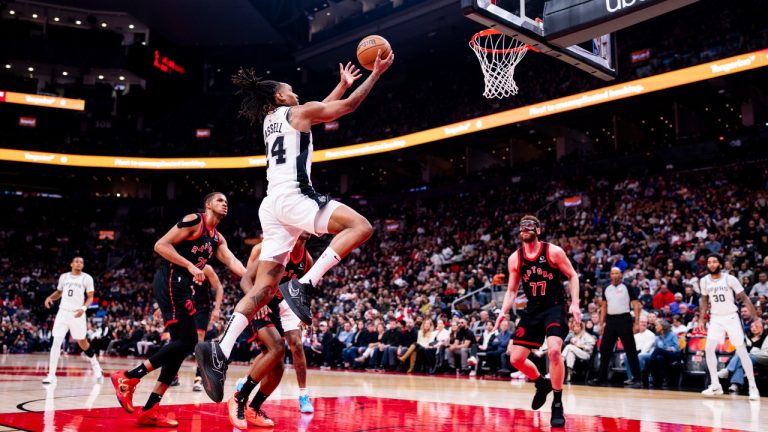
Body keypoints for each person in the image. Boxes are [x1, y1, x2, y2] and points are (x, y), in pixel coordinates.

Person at [197, 53, 395, 403]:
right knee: (360, 226)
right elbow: (346, 108)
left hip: (271, 206)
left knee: (264, 288)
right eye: (291, 90)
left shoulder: (271, 120)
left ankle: (220, 349)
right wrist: (375, 74)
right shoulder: (296, 112)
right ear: (279, 96)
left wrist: (341, 84)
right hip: (293, 198)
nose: (297, 94)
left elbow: (315, 111)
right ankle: (304, 284)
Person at [111, 193, 246, 427]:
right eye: (220, 200)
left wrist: (259, 282)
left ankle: (151, 407)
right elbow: (160, 245)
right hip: (172, 278)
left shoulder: (218, 239)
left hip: (183, 286)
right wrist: (190, 265)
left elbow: (234, 263)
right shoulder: (195, 220)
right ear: (207, 204)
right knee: (188, 342)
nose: (225, 203)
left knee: (180, 347)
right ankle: (129, 377)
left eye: (227, 201)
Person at [494, 215, 581, 428]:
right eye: (522, 227)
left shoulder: (553, 251)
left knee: (553, 351)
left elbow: (573, 276)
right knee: (515, 358)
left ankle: (558, 403)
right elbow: (512, 289)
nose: (525, 229)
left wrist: (575, 303)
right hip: (533, 309)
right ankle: (542, 383)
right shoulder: (515, 258)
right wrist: (503, 312)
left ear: (538, 230)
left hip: (554, 306)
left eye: (529, 226)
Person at [239, 232, 316, 415]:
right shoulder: (278, 250)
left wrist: (306, 313)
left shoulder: (308, 260)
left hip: (287, 304)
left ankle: (303, 394)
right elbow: (246, 279)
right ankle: (245, 389)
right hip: (265, 301)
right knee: (274, 351)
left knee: (296, 346)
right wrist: (255, 301)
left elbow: (303, 291)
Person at [699, 254, 760, 400]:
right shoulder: (704, 281)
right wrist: (702, 318)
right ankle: (715, 385)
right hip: (715, 318)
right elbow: (704, 300)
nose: (711, 264)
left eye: (714, 262)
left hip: (731, 317)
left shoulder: (729, 279)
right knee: (708, 349)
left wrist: (756, 318)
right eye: (709, 262)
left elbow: (745, 298)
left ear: (720, 264)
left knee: (741, 350)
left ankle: (753, 387)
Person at [42, 256, 102, 384]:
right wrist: (50, 298)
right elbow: (59, 292)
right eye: (76, 261)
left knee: (83, 343)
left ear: (83, 265)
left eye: (81, 262)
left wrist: (83, 308)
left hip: (77, 313)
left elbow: (90, 297)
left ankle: (95, 364)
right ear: (71, 264)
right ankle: (51, 375)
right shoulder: (64, 277)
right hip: (63, 312)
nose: (79, 263)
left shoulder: (87, 278)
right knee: (56, 342)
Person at [590, 267, 642, 387]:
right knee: (604, 348)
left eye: (617, 273)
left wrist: (637, 322)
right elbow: (604, 307)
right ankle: (601, 378)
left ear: (621, 275)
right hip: (610, 320)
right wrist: (602, 324)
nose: (614, 275)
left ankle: (637, 379)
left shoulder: (627, 287)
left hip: (624, 319)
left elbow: (635, 304)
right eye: (612, 273)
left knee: (630, 349)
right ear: (610, 275)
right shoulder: (606, 288)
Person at [192, 265, 223, 392]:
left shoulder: (206, 268)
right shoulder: (180, 265)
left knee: (200, 341)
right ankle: (173, 375)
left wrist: (217, 309)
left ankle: (199, 378)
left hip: (201, 307)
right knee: (179, 339)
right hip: (184, 305)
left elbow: (219, 287)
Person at [718, 318, 766, 394]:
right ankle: (735, 384)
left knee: (743, 356)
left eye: (756, 326)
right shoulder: (747, 337)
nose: (753, 328)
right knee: (741, 357)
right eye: (752, 327)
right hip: (744, 359)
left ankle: (728, 370)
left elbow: (764, 352)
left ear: (762, 327)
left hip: (758, 358)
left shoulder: (765, 337)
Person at [647, 320, 681, 388]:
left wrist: (670, 348)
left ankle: (646, 370)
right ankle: (660, 380)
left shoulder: (672, 334)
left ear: (662, 326)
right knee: (659, 358)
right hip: (663, 355)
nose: (655, 327)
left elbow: (677, 347)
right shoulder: (658, 337)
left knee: (658, 350)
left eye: (657, 325)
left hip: (673, 355)